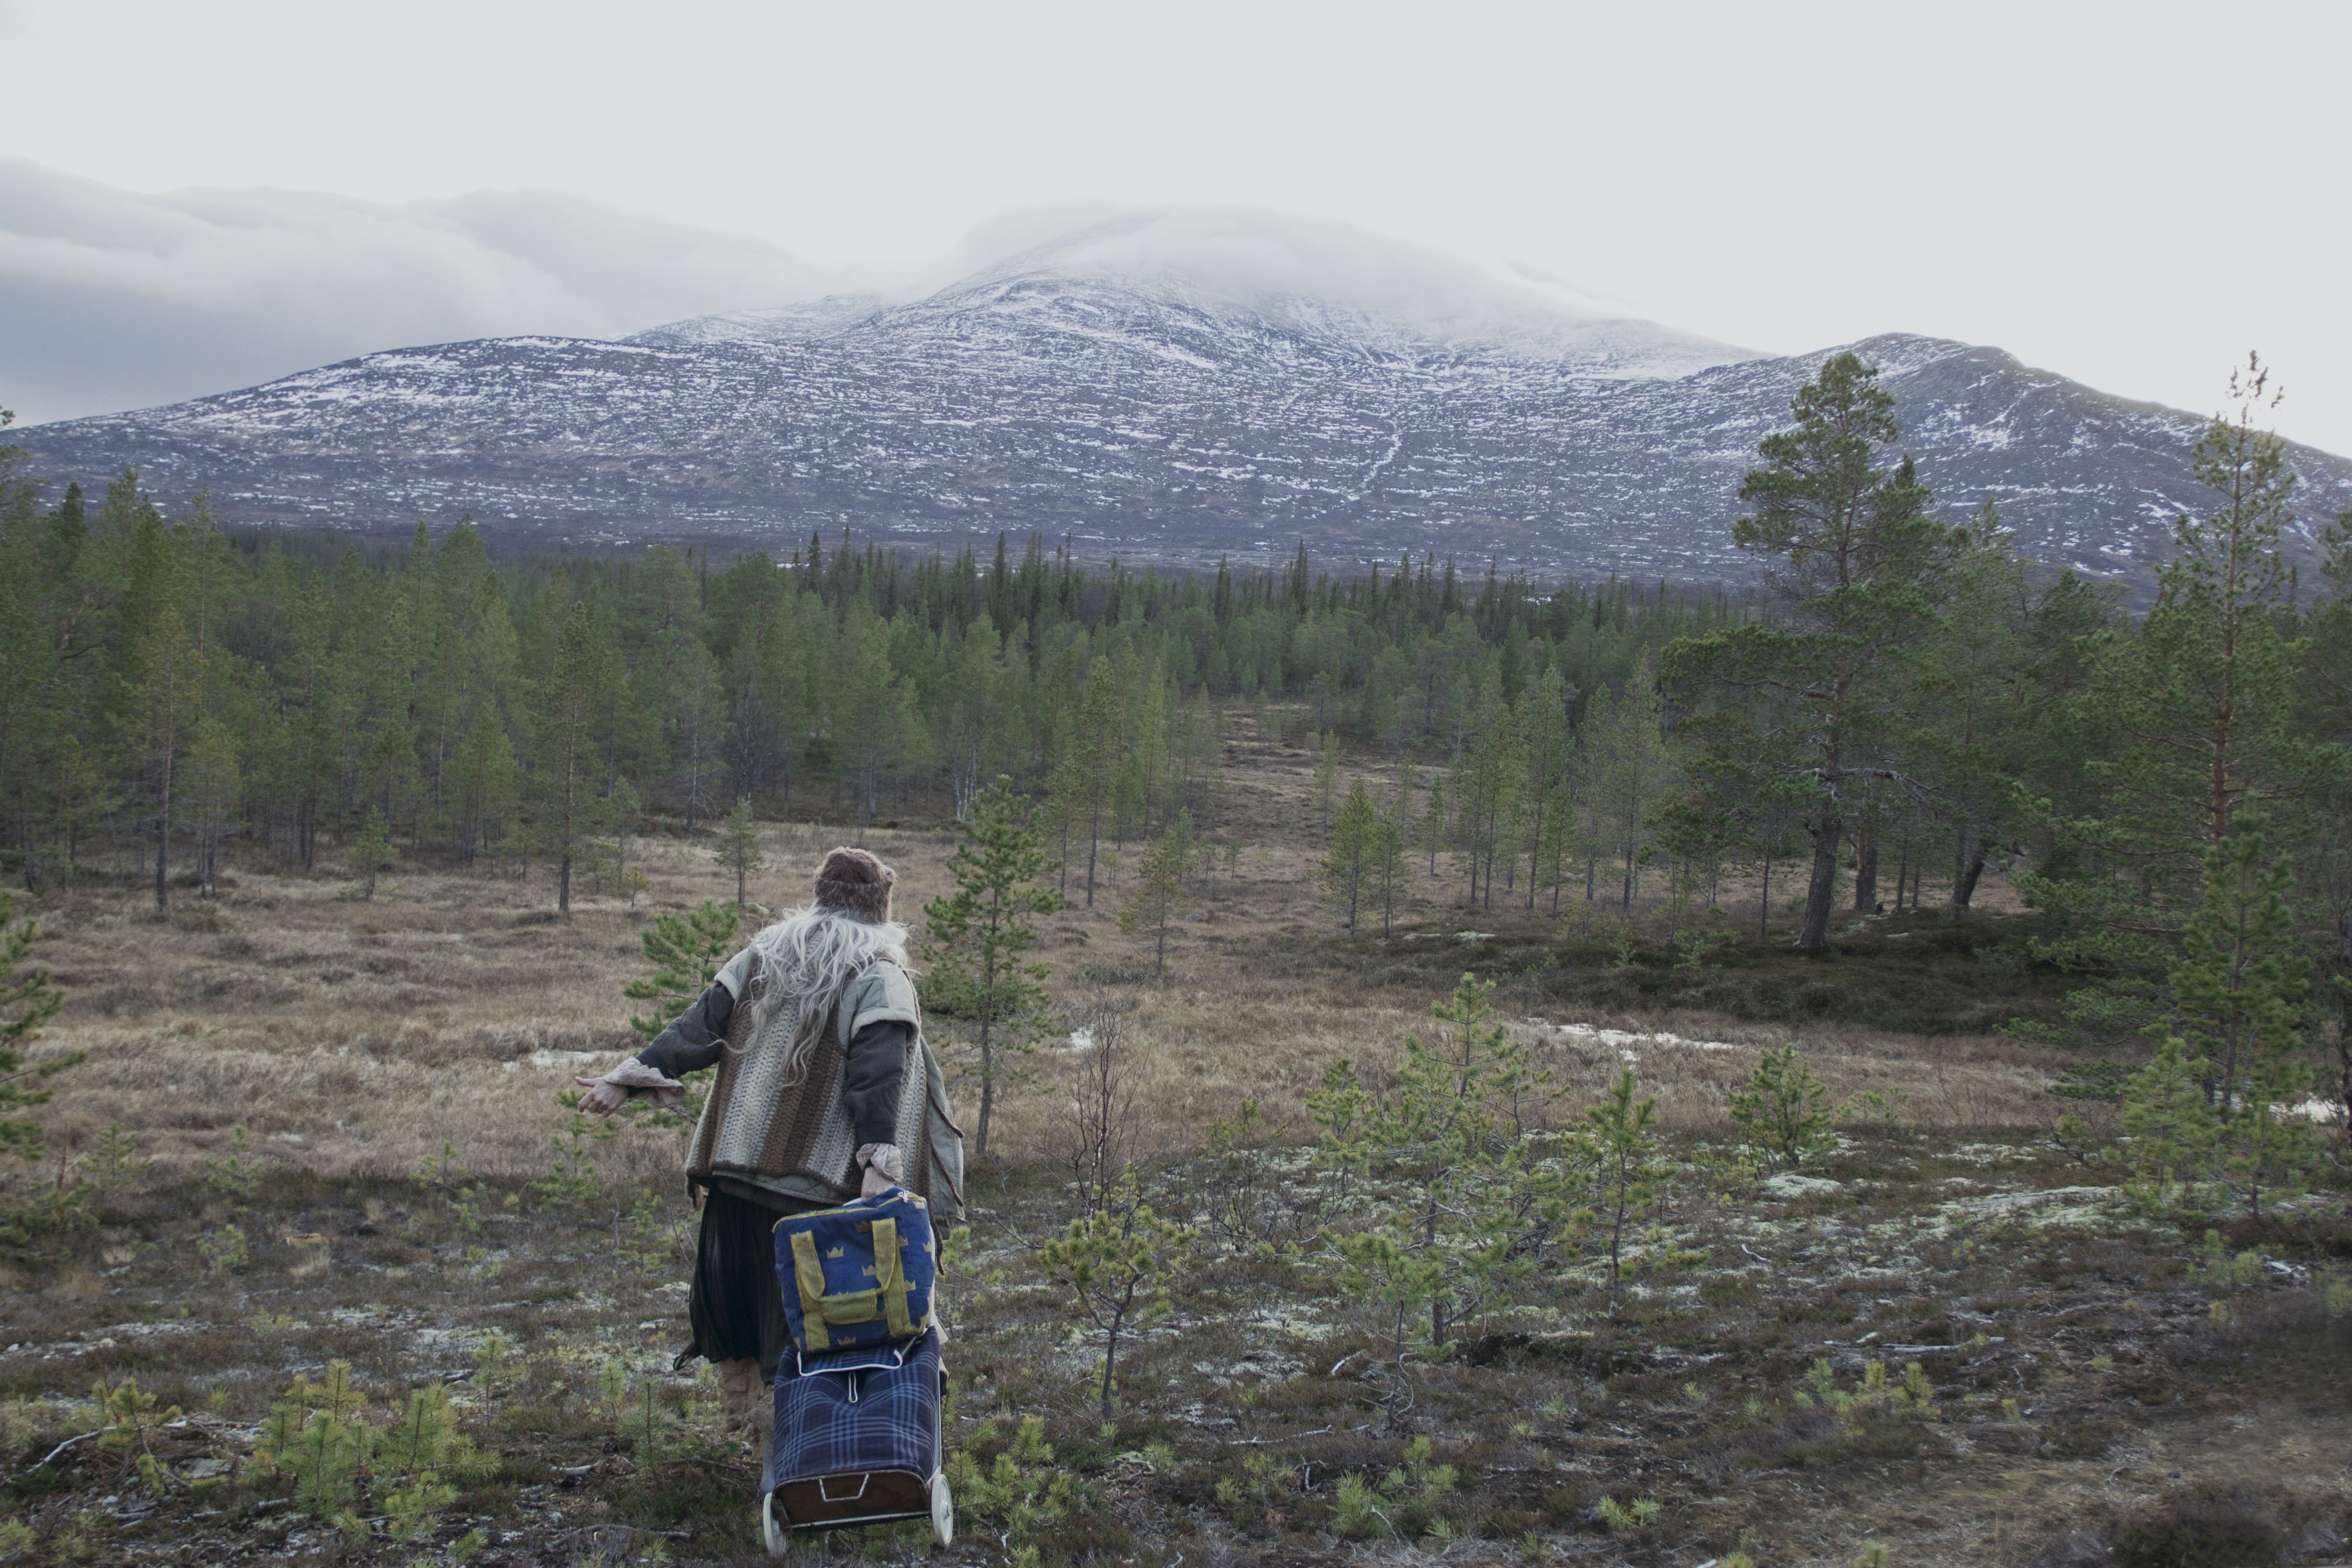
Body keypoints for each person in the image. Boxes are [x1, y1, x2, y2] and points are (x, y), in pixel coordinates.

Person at [576, 845, 954, 1450]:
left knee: (744, 1332)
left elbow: (697, 1028)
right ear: (881, 909)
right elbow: (879, 1072)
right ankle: (809, 1471)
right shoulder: (880, 975)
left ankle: (770, 1466)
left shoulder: (762, 957)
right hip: (813, 1201)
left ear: (819, 898)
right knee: (812, 1336)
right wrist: (878, 1163)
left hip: (732, 1189)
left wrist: (629, 1074)